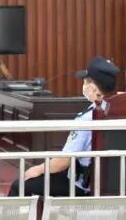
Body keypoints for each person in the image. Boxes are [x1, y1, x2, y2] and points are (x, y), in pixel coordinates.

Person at [7, 55, 116, 198]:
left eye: (85, 82)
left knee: (19, 185)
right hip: (116, 182)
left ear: (94, 89)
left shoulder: (87, 118)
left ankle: (10, 214)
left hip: (83, 185)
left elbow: (63, 162)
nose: (83, 86)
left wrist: (38, 169)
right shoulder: (121, 110)